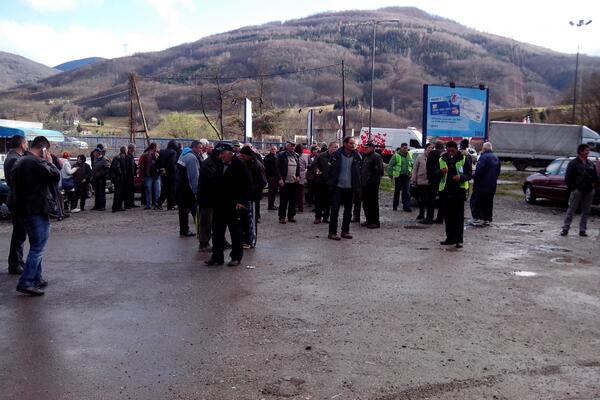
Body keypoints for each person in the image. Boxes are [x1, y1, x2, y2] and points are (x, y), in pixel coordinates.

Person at [8, 136, 60, 296]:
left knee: (35, 246)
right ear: (43, 149)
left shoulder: (20, 161)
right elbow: (55, 176)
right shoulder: (34, 162)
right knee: (38, 247)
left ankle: (36, 278)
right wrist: (49, 162)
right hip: (36, 209)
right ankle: (27, 281)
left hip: (22, 209)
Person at [205, 143, 251, 267]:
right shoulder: (219, 164)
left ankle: (236, 257)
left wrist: (242, 202)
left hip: (234, 205)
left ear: (230, 153)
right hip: (220, 204)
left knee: (235, 232)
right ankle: (217, 257)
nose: (220, 156)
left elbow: (247, 185)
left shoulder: (240, 165)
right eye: (219, 154)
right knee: (217, 232)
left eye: (222, 154)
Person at [435, 140, 472, 249]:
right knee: (448, 217)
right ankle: (450, 238)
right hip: (446, 192)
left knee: (458, 217)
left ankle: (459, 240)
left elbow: (469, 174)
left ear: (456, 150)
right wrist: (440, 172)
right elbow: (434, 173)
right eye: (449, 151)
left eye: (453, 151)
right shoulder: (441, 159)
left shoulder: (463, 158)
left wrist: (461, 177)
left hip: (459, 191)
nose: (450, 153)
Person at [561, 144, 599, 237]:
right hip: (577, 190)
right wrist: (573, 188)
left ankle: (582, 230)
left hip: (589, 191)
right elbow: (567, 178)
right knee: (571, 210)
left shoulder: (590, 163)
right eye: (586, 150)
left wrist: (593, 185)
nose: (588, 152)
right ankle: (565, 229)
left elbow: (595, 177)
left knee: (586, 211)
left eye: (588, 150)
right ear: (580, 151)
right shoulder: (573, 163)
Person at [328, 136, 362, 240]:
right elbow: (330, 170)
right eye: (351, 143)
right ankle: (332, 232)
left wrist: (358, 186)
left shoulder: (357, 156)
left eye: (354, 143)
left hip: (350, 188)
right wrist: (330, 183)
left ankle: (345, 231)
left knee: (348, 211)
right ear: (345, 144)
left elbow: (359, 173)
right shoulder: (336, 155)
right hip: (337, 187)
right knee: (335, 210)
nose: (353, 145)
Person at [4, 135, 28, 275]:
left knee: (20, 234)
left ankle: (18, 260)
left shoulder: (13, 157)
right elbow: (18, 181)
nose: (27, 145)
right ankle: (14, 264)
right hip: (18, 200)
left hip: (17, 199)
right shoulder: (14, 159)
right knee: (19, 234)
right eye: (26, 143)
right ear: (21, 144)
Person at [239, 146, 266, 247]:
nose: (241, 157)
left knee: (251, 220)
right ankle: (245, 239)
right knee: (245, 220)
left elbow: (263, 182)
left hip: (253, 197)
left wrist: (251, 190)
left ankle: (251, 241)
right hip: (245, 196)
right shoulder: (246, 163)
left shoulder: (257, 165)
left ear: (248, 156)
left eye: (243, 156)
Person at [470, 142, 501, 226]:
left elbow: (479, 171)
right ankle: (487, 219)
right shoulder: (496, 157)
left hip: (481, 185)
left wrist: (472, 175)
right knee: (489, 203)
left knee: (478, 202)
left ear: (484, 149)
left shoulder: (483, 157)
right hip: (492, 185)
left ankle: (478, 218)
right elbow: (498, 171)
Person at [197, 147, 221, 252]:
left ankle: (216, 241)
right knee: (206, 222)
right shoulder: (209, 164)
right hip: (207, 198)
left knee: (213, 221)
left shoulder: (212, 162)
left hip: (210, 197)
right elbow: (213, 181)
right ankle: (204, 243)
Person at [176, 140, 202, 237]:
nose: (201, 150)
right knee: (195, 211)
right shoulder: (192, 158)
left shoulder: (183, 154)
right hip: (188, 189)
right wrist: (196, 191)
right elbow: (194, 176)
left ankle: (184, 230)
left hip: (181, 187)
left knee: (183, 211)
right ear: (194, 147)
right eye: (199, 148)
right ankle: (201, 230)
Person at [312, 141, 339, 224]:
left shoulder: (337, 157)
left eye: (337, 147)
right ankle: (318, 217)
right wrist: (317, 170)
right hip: (321, 181)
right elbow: (314, 164)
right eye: (335, 147)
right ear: (329, 147)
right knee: (319, 200)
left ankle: (326, 217)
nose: (336, 149)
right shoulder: (321, 155)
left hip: (331, 182)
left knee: (328, 201)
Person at [360, 142, 384, 229]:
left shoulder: (376, 157)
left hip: (372, 184)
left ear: (372, 148)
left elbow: (379, 171)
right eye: (365, 147)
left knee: (373, 203)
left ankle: (375, 222)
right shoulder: (366, 156)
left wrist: (372, 181)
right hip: (365, 183)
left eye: (367, 147)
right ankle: (369, 220)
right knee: (366, 203)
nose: (366, 149)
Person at [277, 141, 300, 224]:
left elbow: (298, 167)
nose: (292, 148)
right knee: (283, 200)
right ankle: (282, 217)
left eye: (293, 146)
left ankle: (291, 216)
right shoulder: (281, 155)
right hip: (284, 181)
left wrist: (298, 176)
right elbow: (277, 168)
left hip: (293, 181)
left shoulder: (296, 155)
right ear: (287, 147)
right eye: (291, 146)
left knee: (292, 200)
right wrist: (280, 179)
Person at [411, 143, 434, 222]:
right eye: (429, 147)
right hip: (421, 181)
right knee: (421, 199)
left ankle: (428, 216)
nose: (430, 149)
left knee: (428, 200)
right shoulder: (420, 157)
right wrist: (414, 180)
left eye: (432, 148)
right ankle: (421, 214)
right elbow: (415, 169)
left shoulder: (434, 158)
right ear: (426, 148)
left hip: (430, 182)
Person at [388, 143, 413, 212]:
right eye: (404, 148)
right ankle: (395, 205)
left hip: (407, 176)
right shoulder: (396, 155)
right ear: (401, 148)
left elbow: (411, 165)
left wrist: (411, 173)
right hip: (398, 176)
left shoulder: (409, 155)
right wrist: (390, 175)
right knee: (397, 191)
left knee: (406, 191)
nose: (406, 149)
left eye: (406, 148)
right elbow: (390, 165)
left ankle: (406, 206)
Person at [156, 140, 179, 210]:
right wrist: (174, 170)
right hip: (171, 174)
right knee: (172, 190)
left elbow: (158, 161)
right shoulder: (173, 152)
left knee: (165, 189)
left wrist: (161, 169)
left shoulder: (162, 152)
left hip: (163, 173)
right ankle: (171, 205)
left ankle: (159, 203)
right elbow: (172, 163)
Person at [426, 141, 445, 223]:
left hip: (433, 179)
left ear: (436, 147)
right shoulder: (445, 154)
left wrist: (429, 177)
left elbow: (428, 166)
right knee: (442, 200)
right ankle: (440, 218)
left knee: (431, 199)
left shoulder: (432, 154)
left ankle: (429, 218)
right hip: (443, 180)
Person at [138, 143, 161, 210]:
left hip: (156, 175)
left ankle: (156, 204)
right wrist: (142, 176)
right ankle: (149, 204)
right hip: (148, 176)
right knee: (149, 190)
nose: (158, 148)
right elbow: (141, 166)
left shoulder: (157, 155)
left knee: (157, 191)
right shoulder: (145, 155)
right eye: (157, 147)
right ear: (154, 147)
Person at [110, 146, 127, 213]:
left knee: (121, 193)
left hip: (120, 178)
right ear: (124, 151)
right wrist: (121, 174)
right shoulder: (118, 158)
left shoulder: (121, 157)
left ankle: (119, 207)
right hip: (118, 178)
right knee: (117, 193)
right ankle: (115, 208)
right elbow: (117, 168)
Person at [263, 145, 279, 210]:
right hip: (271, 177)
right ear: (270, 150)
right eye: (272, 149)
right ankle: (270, 206)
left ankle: (272, 204)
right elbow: (265, 168)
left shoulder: (276, 156)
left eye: (274, 149)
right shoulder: (267, 157)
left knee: (274, 192)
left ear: (276, 150)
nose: (273, 150)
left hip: (275, 177)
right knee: (271, 192)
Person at [124, 144, 138, 209]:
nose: (135, 149)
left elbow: (133, 165)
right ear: (131, 148)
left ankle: (132, 203)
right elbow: (127, 167)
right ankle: (127, 204)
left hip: (131, 176)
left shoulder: (131, 156)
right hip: (128, 176)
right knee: (127, 191)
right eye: (134, 148)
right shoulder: (127, 156)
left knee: (132, 190)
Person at [295, 144, 309, 212]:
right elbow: (309, 165)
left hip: (298, 176)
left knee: (297, 192)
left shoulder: (295, 155)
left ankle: (299, 206)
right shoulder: (305, 156)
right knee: (299, 193)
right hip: (299, 176)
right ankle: (299, 207)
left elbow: (309, 165)